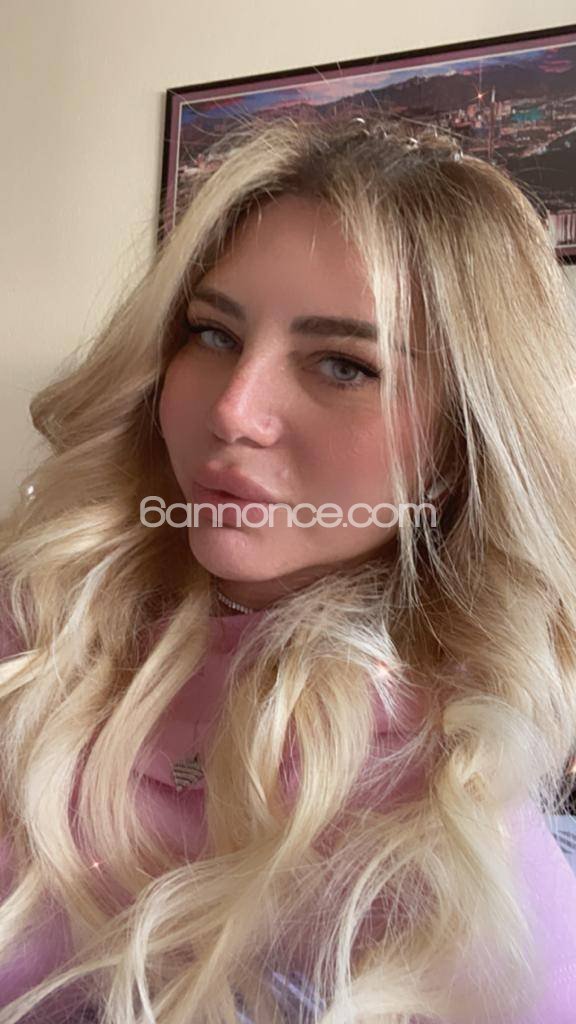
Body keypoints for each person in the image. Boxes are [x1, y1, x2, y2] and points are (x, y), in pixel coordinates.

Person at [0, 111, 575, 1024]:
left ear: (461, 444)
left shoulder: (447, 786)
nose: (233, 409)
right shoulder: (44, 612)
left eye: (343, 366)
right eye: (213, 335)